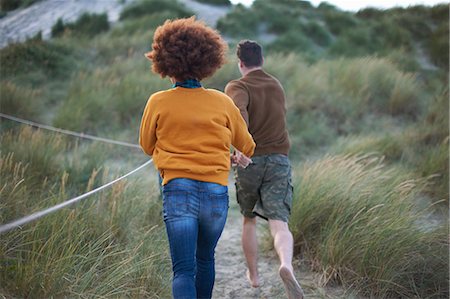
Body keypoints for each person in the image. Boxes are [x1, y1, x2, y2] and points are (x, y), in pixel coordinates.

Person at [139, 18, 255, 299]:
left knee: (183, 270)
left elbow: (146, 145)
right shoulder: (222, 101)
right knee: (205, 260)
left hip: (177, 191)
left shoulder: (158, 101)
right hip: (215, 194)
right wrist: (234, 154)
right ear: (207, 62)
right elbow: (247, 145)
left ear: (165, 62)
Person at [225, 40, 304, 299]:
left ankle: (254, 277)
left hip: (251, 160)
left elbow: (239, 114)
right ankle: (286, 265)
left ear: (240, 63)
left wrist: (240, 150)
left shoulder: (237, 85)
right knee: (279, 223)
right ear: (262, 60)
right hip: (279, 159)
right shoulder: (276, 85)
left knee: (248, 219)